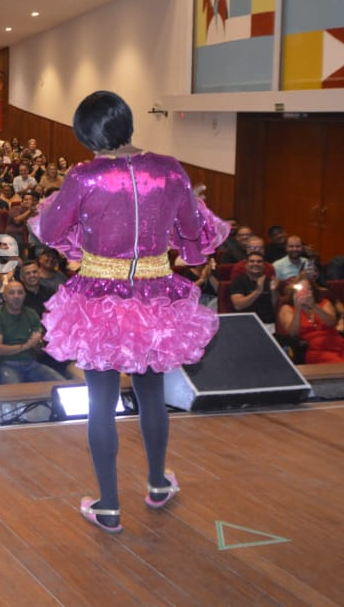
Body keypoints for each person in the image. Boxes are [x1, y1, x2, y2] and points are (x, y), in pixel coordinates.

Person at [29, 91, 228, 534]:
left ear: (88, 134)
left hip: (98, 298)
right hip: (154, 295)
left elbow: (50, 229)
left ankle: (109, 506)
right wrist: (179, 208)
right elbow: (194, 230)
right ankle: (157, 485)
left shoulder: (85, 175)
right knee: (151, 394)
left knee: (100, 402)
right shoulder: (170, 169)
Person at [0, 279, 65, 384]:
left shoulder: (32, 314)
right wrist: (26, 345)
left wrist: (38, 343)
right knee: (15, 392)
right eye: (11, 293)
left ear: (24, 296)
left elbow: (38, 350)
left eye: (20, 292)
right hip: (8, 364)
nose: (16, 296)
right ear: (4, 297)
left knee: (62, 384)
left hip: (31, 363)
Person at [277, 278, 344, 364]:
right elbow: (293, 333)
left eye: (308, 289)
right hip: (313, 350)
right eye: (302, 290)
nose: (305, 293)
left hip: (337, 343)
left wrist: (314, 306)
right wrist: (298, 309)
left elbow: (331, 323)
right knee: (341, 366)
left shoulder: (324, 303)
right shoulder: (287, 308)